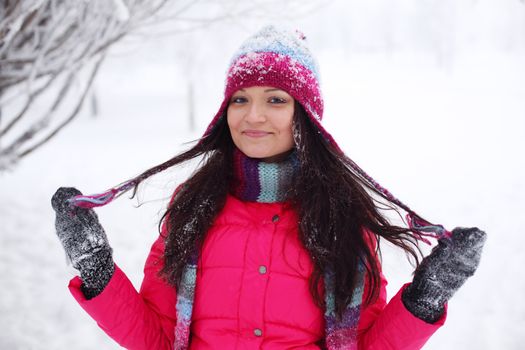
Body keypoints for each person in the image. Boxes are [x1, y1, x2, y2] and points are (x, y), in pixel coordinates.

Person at [51, 25, 486, 350]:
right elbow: (158, 339)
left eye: (276, 99)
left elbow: (364, 344)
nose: (252, 116)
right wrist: (97, 271)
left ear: (306, 117)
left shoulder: (341, 216)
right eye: (240, 99)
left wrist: (425, 299)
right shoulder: (194, 205)